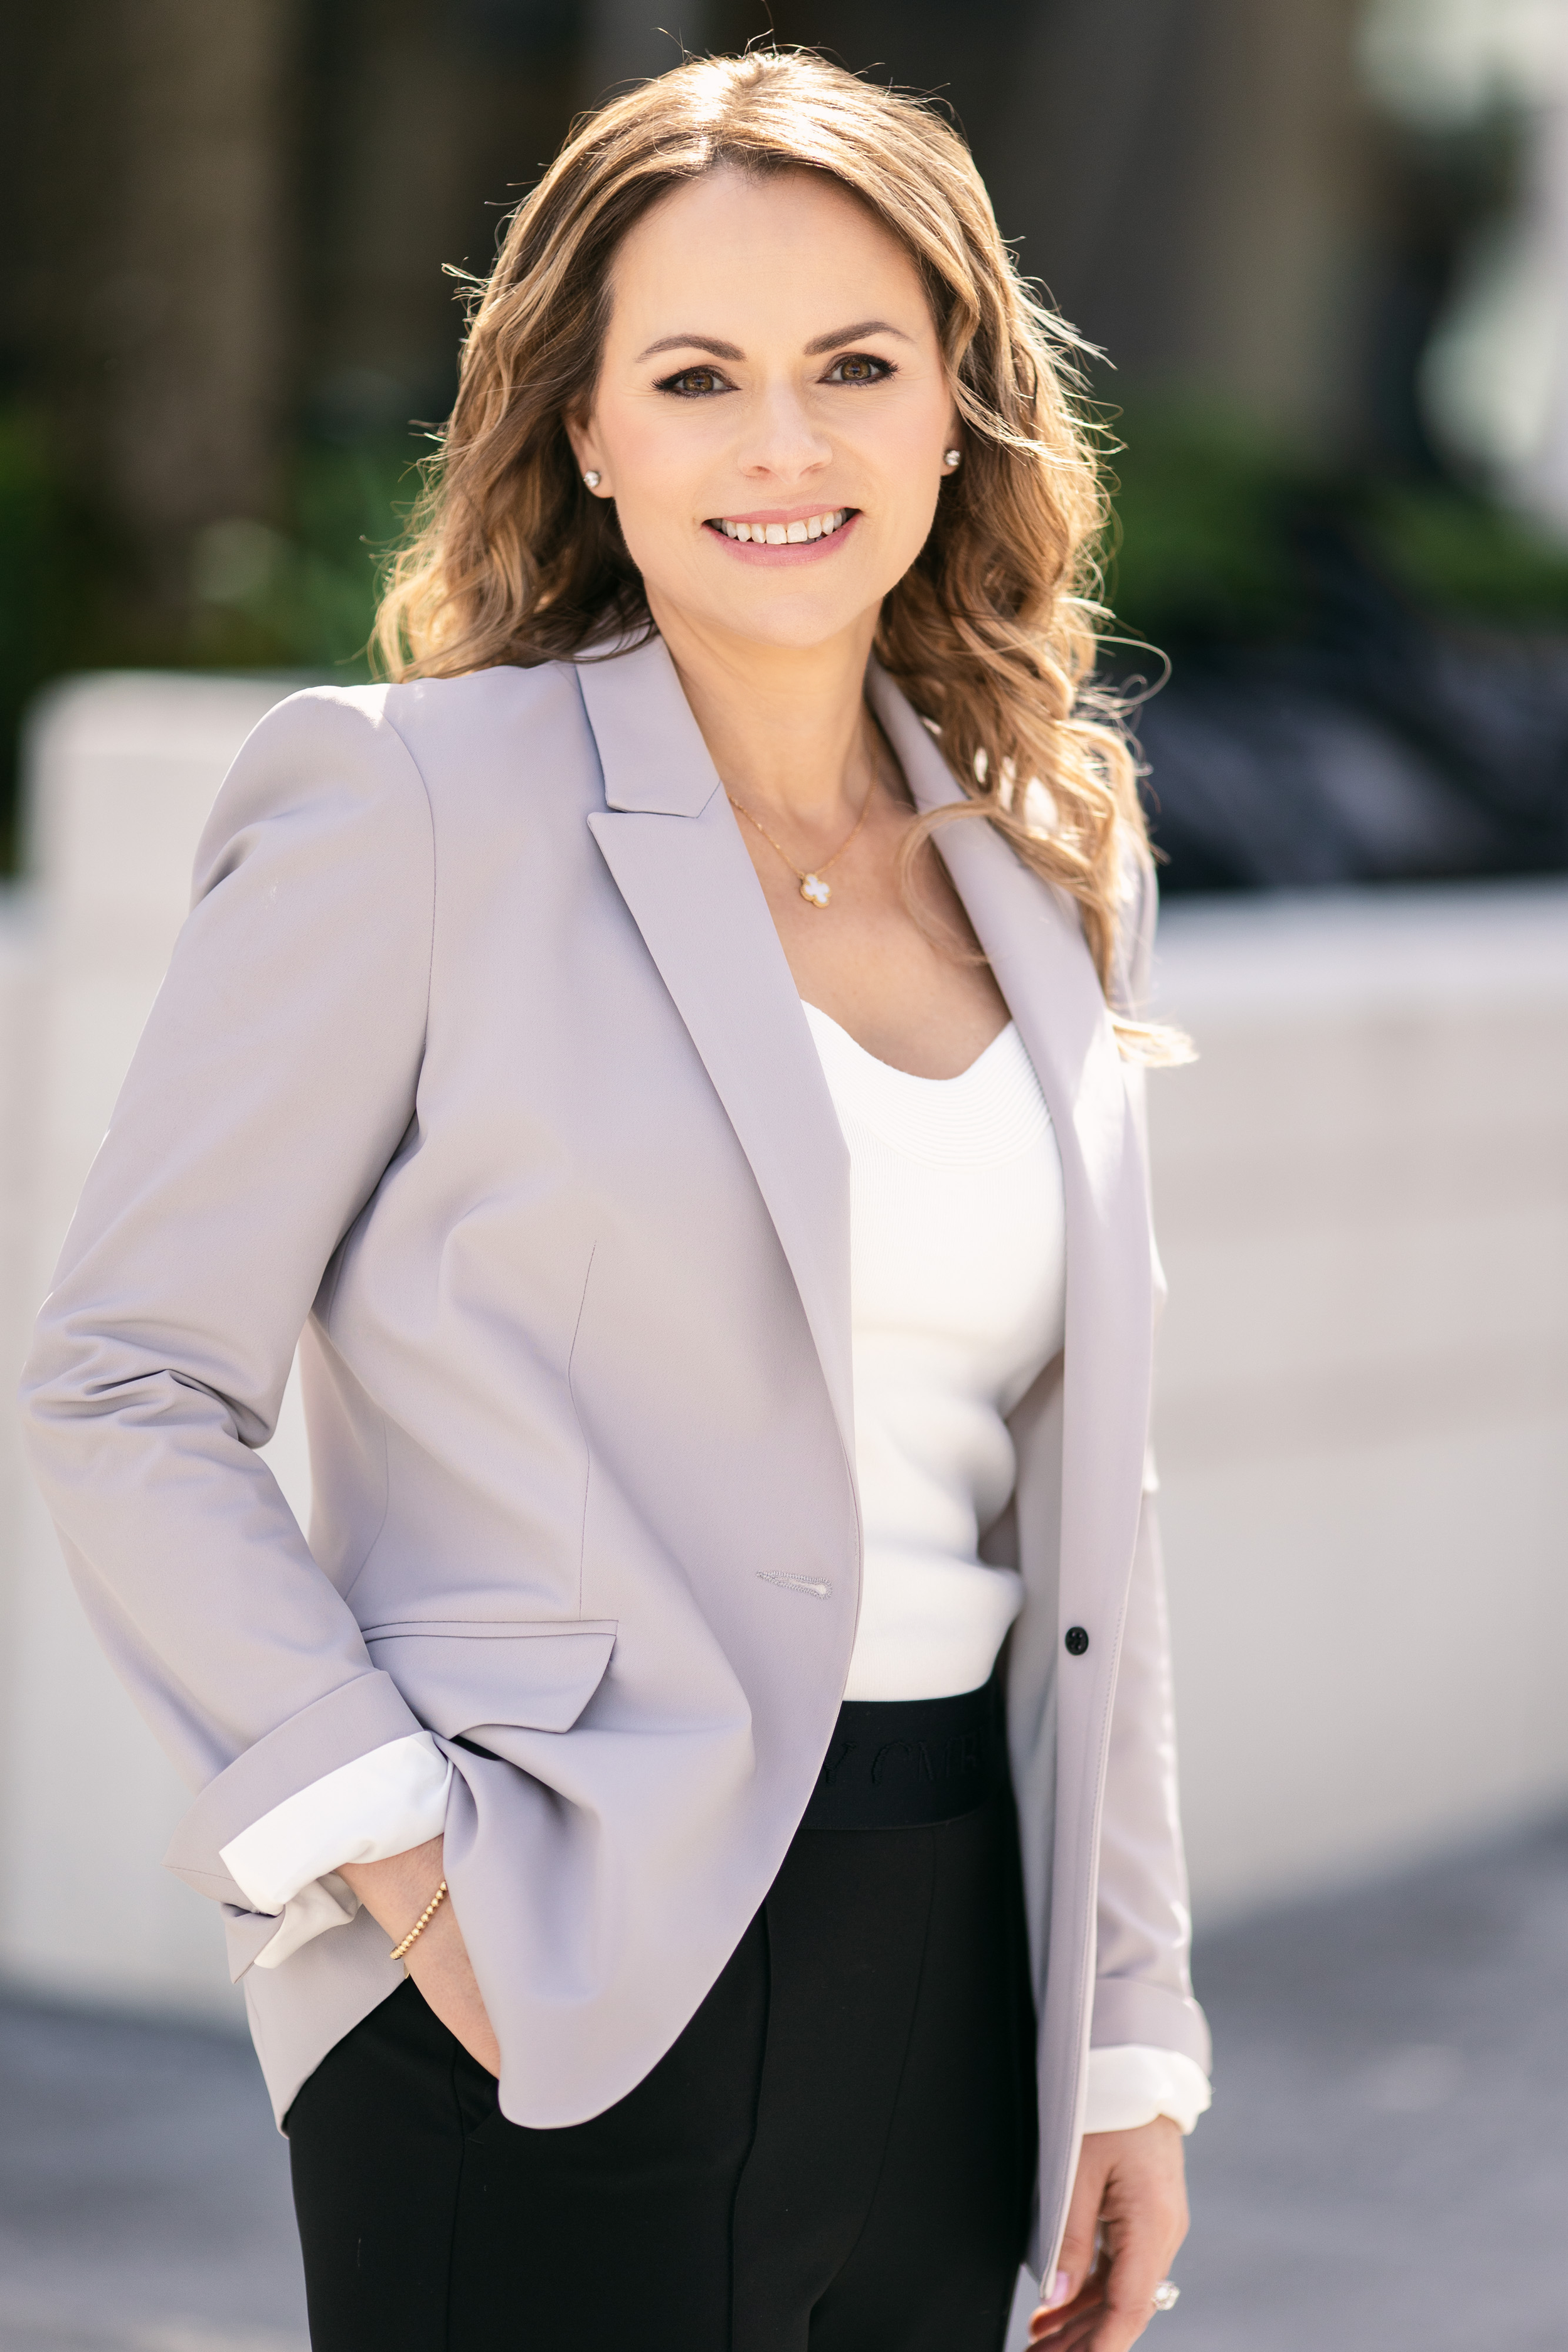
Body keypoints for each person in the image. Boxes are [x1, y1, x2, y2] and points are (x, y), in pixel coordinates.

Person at [21, 48, 1210, 2352]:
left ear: (959, 400)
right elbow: (125, 1379)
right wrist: (391, 1854)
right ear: (583, 427)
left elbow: (1094, 1500)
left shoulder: (1040, 853)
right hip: (543, 1944)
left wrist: (1126, 2030)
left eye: (856, 366)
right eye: (696, 376)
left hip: (962, 1946)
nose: (786, 445)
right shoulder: (411, 810)